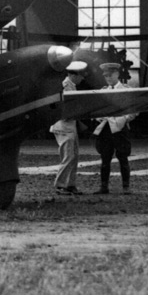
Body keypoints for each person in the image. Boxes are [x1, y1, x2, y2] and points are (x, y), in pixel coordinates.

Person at [94, 62, 136, 194]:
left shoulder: (126, 90)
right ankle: (104, 186)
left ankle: (126, 187)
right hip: (106, 128)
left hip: (120, 128)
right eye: (106, 76)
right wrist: (97, 117)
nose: (108, 78)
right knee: (105, 158)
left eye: (110, 75)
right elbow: (95, 109)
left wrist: (125, 119)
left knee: (123, 157)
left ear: (117, 74)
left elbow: (134, 109)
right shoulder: (102, 91)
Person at [50, 61, 89, 195]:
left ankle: (70, 184)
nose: (83, 78)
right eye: (81, 75)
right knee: (68, 157)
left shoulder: (70, 85)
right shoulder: (65, 86)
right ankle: (60, 185)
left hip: (69, 126)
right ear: (74, 75)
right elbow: (62, 108)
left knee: (74, 156)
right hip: (64, 126)